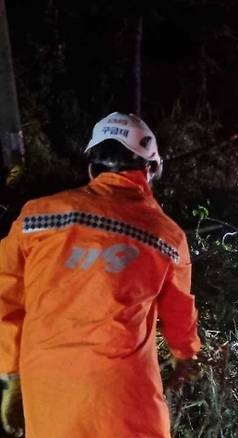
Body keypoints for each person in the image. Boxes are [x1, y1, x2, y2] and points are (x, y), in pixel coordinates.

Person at [0, 112, 202, 437]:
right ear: (149, 170)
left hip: (48, 386)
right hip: (123, 395)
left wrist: (10, 375)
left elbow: (5, 296)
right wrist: (186, 355)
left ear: (93, 166)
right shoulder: (167, 237)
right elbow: (179, 312)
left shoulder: (36, 217)